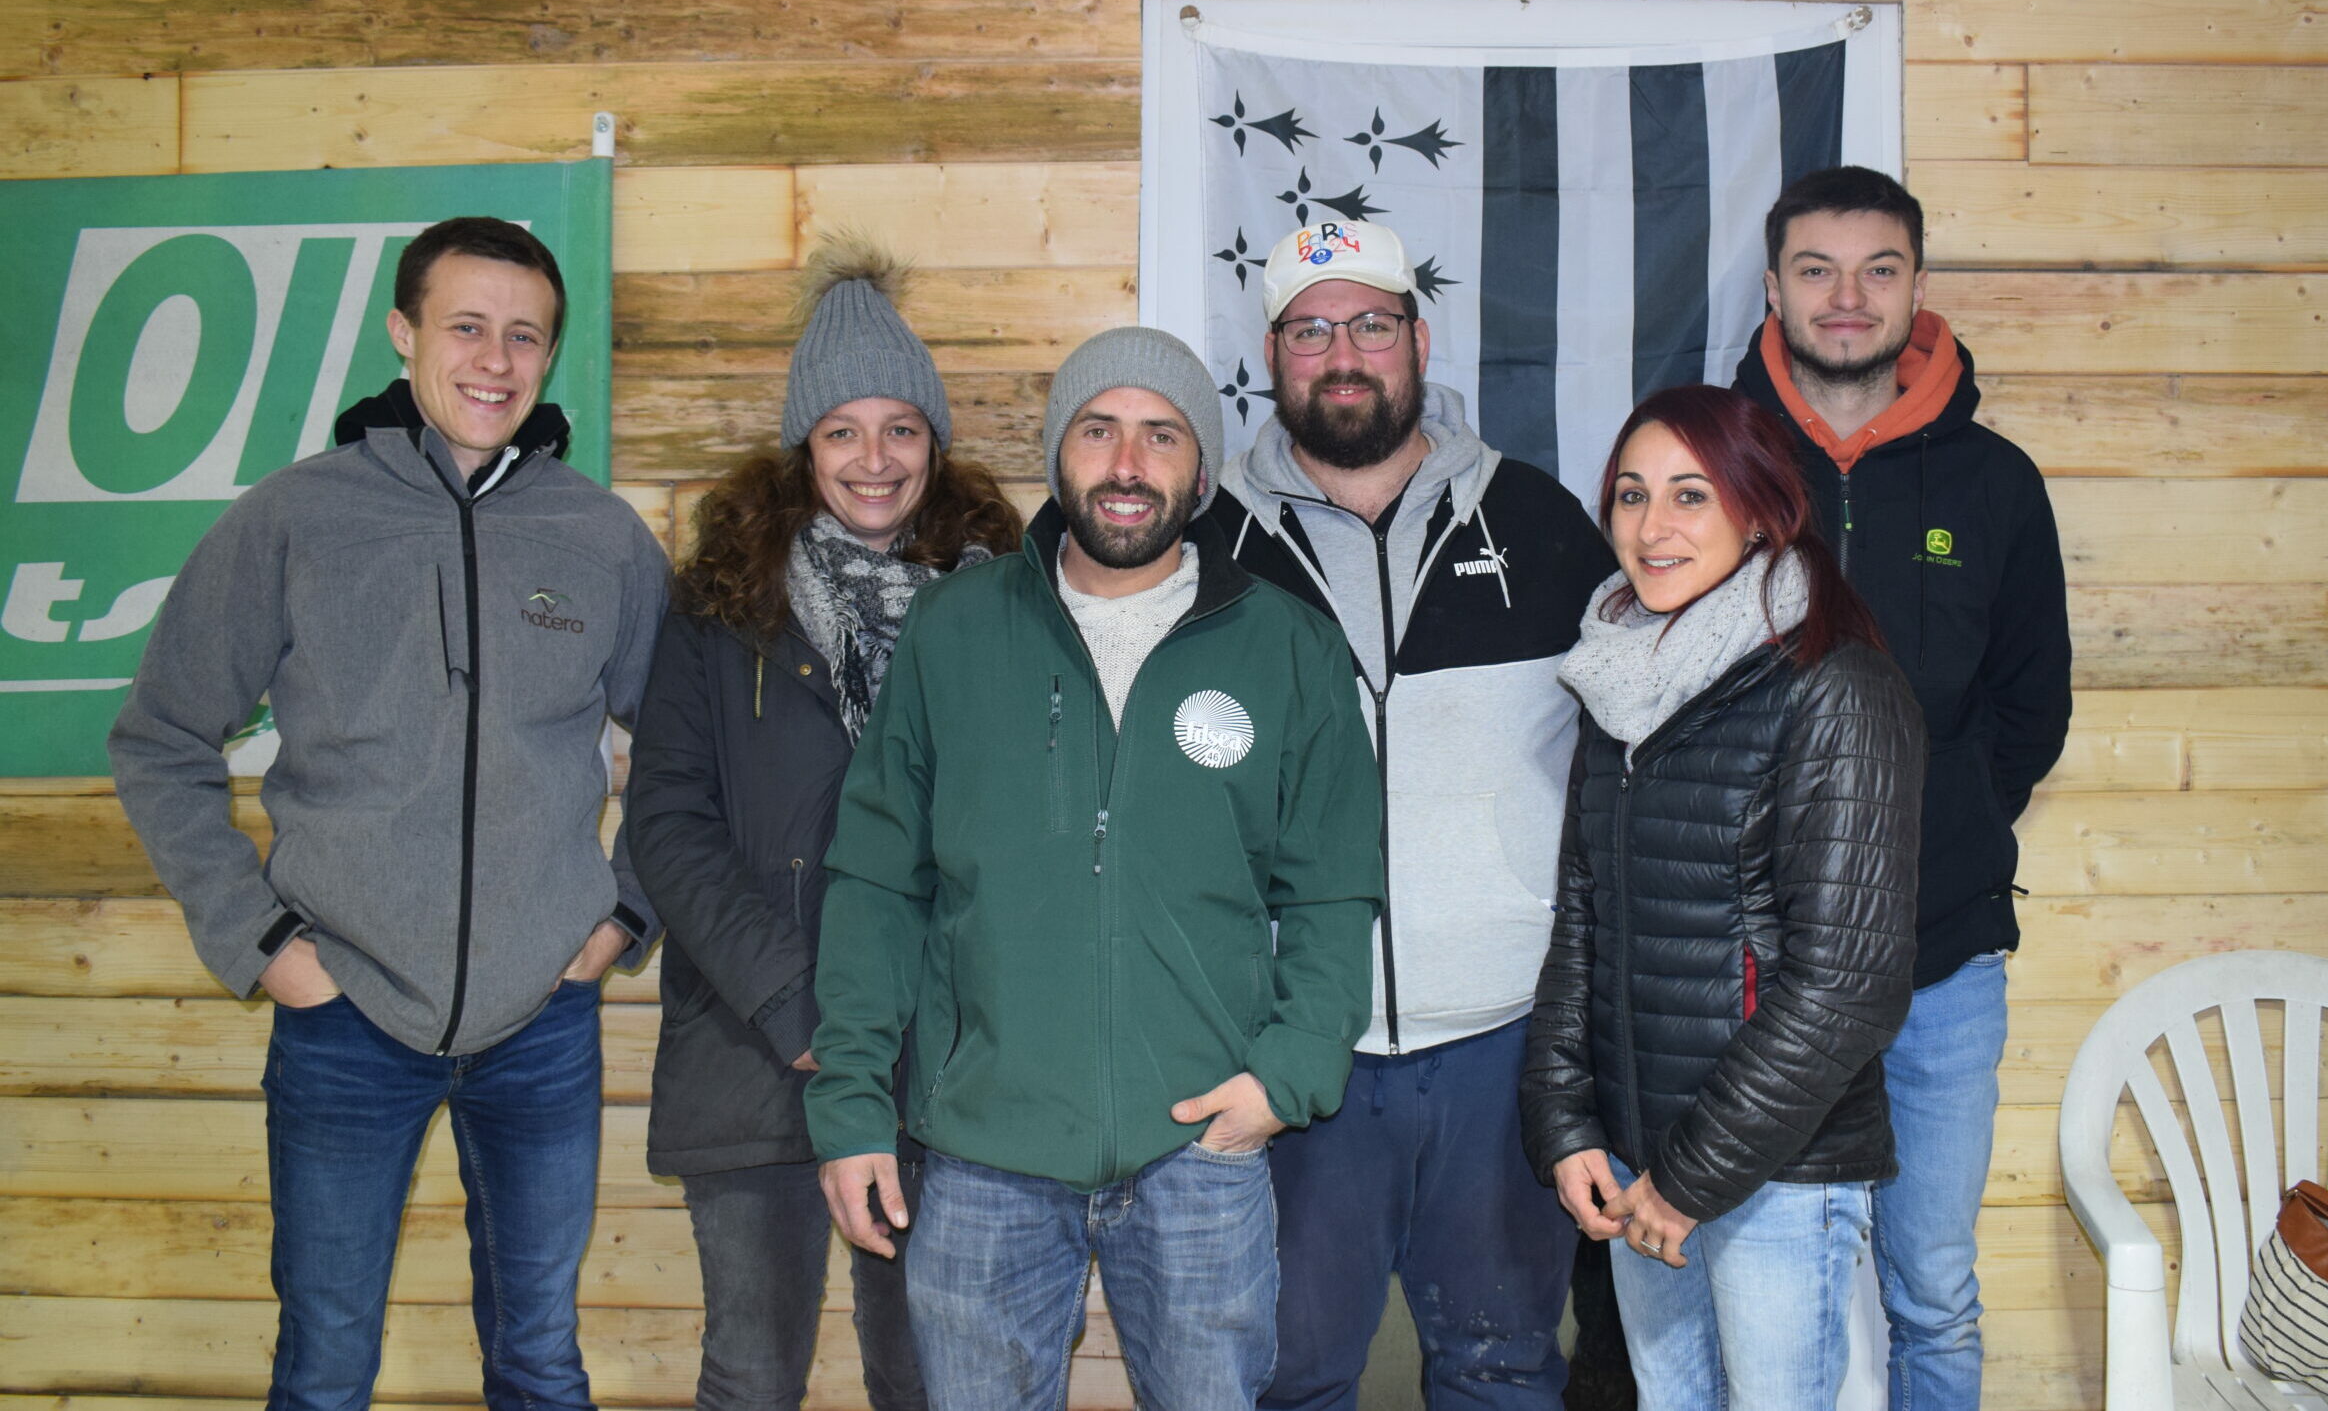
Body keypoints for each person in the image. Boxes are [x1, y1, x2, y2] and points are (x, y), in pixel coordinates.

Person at [108, 217, 668, 1410]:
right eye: (467, 326)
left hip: (542, 1023)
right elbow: (159, 738)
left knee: (539, 1357)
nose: (495, 359)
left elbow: (689, 756)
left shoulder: (601, 537)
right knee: (324, 1364)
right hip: (342, 1015)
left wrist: (620, 917)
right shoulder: (296, 519)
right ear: (404, 333)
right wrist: (264, 946)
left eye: (525, 336)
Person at [805, 326, 1385, 1411]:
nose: (1127, 464)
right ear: (1056, 453)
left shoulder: (1288, 645)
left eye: (1160, 435)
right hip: (982, 1149)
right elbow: (878, 881)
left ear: (1199, 469)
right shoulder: (953, 630)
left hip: (1201, 1147)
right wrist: (848, 1106)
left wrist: (1284, 1075)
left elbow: (1332, 887)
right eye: (1098, 429)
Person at [1209, 218, 1614, 1409]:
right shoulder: (1207, 542)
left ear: (1416, 339)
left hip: (1501, 1039)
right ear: (1272, 354)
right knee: (1287, 1376)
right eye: (1312, 328)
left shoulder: (1538, 523)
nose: (1344, 352)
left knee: (1501, 1367)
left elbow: (1631, 751)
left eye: (1371, 323)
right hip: (1291, 1043)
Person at [625, 237, 1019, 1411]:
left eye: (900, 426)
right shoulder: (718, 605)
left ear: (933, 442)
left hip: (935, 1060)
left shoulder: (1002, 597)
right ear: (804, 444)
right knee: (752, 1369)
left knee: (923, 1369)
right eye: (843, 429)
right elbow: (667, 822)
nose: (874, 458)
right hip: (757, 1049)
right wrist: (801, 1007)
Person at [1734, 165, 2072, 1409]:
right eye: (1815, 269)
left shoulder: (1993, 483)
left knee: (1930, 1287)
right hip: (1756, 969)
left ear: (1914, 288)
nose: (1845, 296)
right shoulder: (1718, 467)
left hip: (1942, 963)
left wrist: (1944, 822)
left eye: (1878, 269)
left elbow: (2031, 705)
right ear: (1771, 288)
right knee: (1769, 1292)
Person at [1520, 383, 1925, 1411]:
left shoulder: (1835, 685)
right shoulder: (1618, 684)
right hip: (1637, 1163)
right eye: (1629, 494)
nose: (1651, 527)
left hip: (1772, 1173)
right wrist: (1565, 1122)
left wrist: (1689, 1177)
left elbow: (1846, 986)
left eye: (1689, 495)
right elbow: (1583, 925)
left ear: (1758, 509)